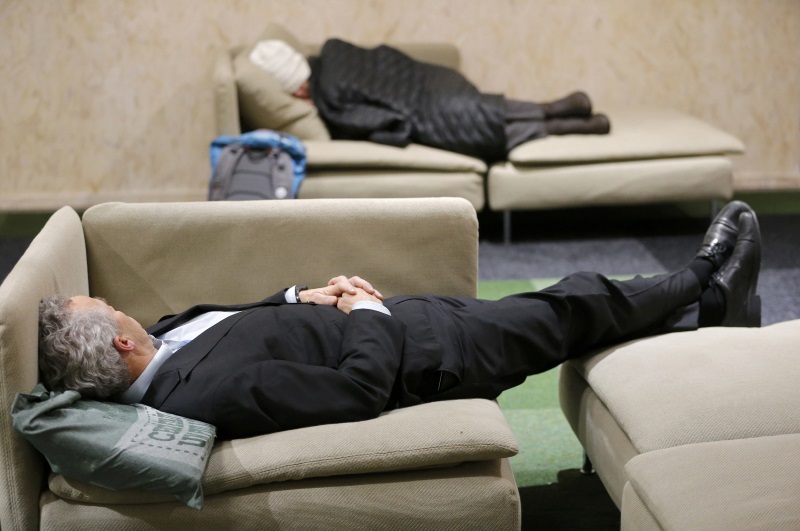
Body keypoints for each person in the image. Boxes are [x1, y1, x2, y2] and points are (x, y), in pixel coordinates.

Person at [38, 202, 761, 440]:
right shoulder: (203, 395)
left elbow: (234, 323)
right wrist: (368, 311)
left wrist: (301, 298)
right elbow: (356, 393)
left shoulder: (165, 345)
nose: (114, 298)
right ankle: (705, 277)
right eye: (105, 304)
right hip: (428, 356)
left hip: (400, 321)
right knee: (568, 303)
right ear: (123, 342)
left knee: (568, 319)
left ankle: (706, 315)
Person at [248, 39, 610, 162]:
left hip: (431, 108)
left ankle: (559, 124)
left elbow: (381, 122)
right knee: (482, 105)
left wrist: (396, 133)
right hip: (437, 78)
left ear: (296, 88)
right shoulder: (333, 48)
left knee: (477, 125)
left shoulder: (328, 98)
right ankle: (553, 108)